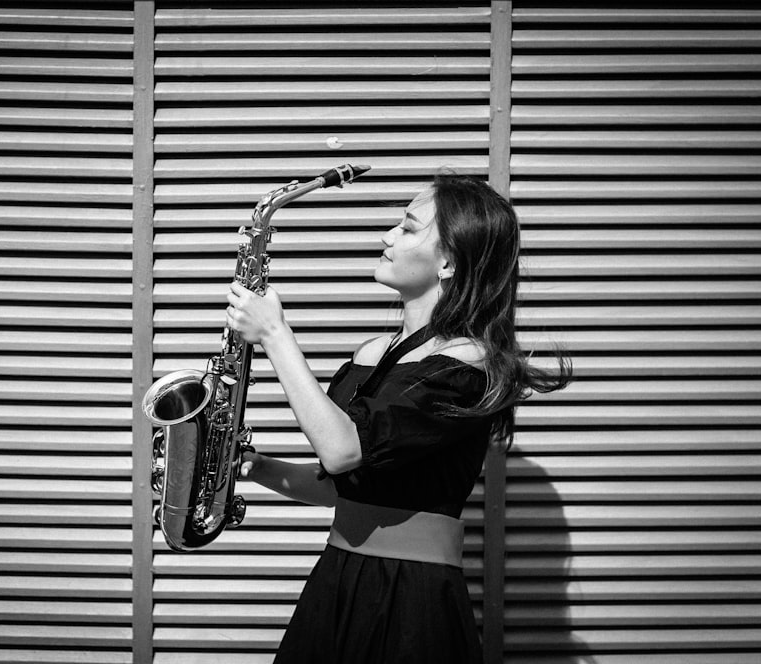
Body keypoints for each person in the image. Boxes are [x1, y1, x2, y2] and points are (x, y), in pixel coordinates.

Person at [225, 171, 571, 663]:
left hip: (412, 596)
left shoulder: (467, 365)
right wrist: (256, 467)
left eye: (408, 228)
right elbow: (337, 485)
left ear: (449, 261)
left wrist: (275, 335)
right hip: (339, 576)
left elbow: (343, 450)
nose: (387, 237)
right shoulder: (371, 353)